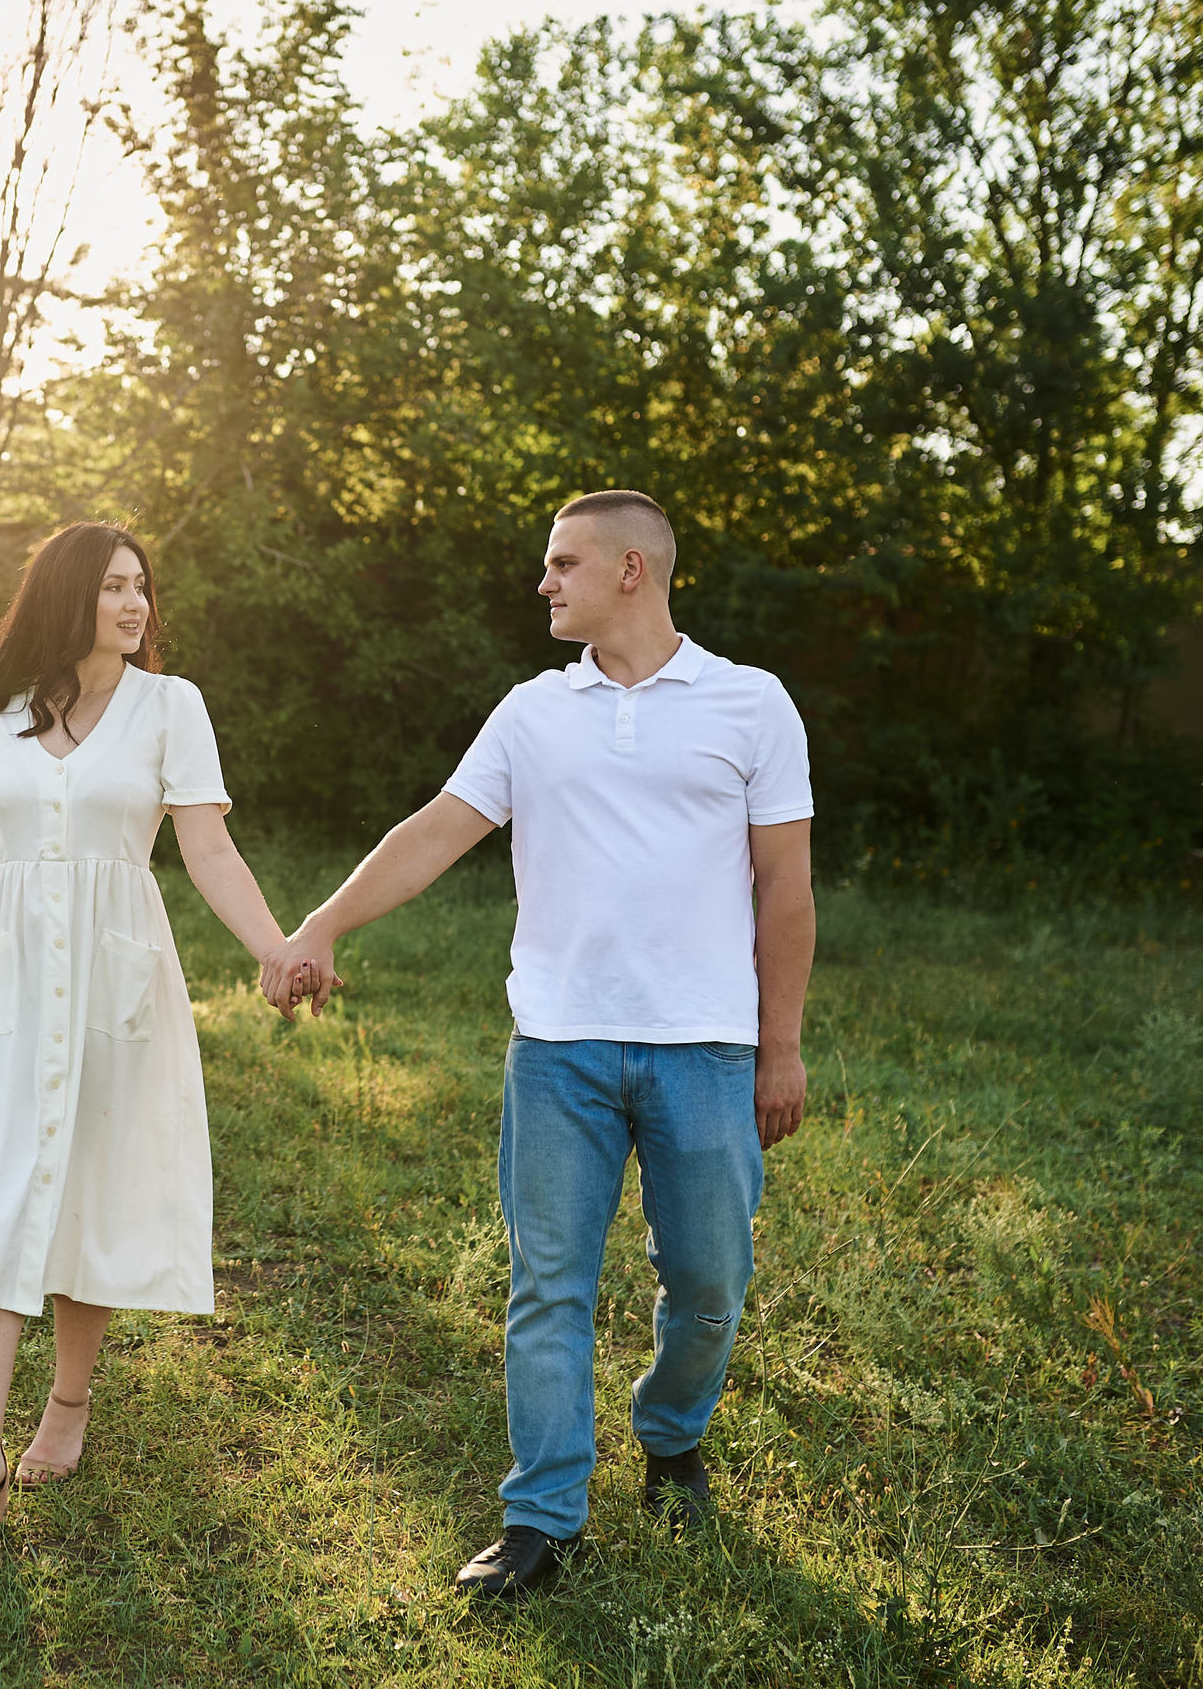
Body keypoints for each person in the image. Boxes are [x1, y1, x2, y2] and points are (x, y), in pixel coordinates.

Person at [261, 489, 816, 1596]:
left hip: (703, 1046)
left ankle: (671, 1437)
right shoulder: (531, 712)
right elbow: (435, 830)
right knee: (546, 1284)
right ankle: (541, 1518)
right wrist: (323, 919)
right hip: (556, 1047)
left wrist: (780, 1043)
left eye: (562, 563)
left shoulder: (749, 703)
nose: (543, 581)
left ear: (630, 570)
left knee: (707, 1281)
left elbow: (783, 885)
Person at [0, 521, 306, 1541]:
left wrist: (272, 946)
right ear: (66, 595)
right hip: (4, 979)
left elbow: (208, 847)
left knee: (93, 1184)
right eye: (114, 586)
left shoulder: (172, 707)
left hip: (118, 974)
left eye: (142, 587)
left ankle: (68, 1403)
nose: (135, 604)